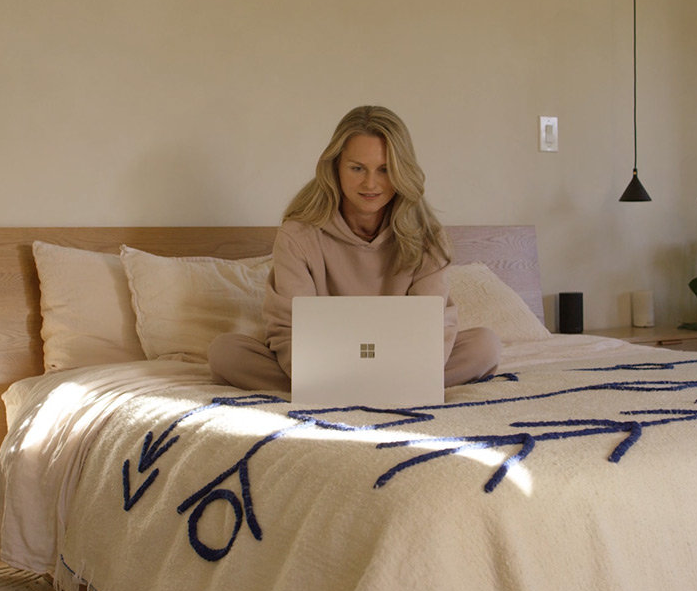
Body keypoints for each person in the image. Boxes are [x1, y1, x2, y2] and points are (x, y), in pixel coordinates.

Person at [208, 105, 500, 392]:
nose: (370, 183)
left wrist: (384, 372)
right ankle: (380, 389)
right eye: (357, 168)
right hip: (319, 365)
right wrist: (330, 373)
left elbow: (434, 330)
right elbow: (288, 328)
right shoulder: (298, 235)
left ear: (402, 172)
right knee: (226, 352)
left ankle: (348, 389)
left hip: (402, 365)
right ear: (335, 166)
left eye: (385, 170)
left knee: (484, 346)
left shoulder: (428, 238)